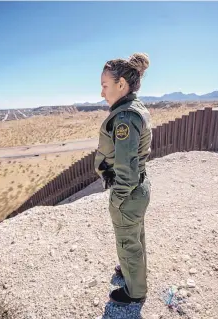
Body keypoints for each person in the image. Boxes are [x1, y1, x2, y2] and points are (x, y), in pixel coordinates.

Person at [94, 52, 153, 305]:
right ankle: (132, 271)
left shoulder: (125, 118)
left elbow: (126, 171)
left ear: (121, 84)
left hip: (128, 192)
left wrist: (116, 200)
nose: (102, 93)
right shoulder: (133, 108)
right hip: (139, 187)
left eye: (105, 86)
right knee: (135, 237)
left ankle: (135, 292)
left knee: (128, 240)